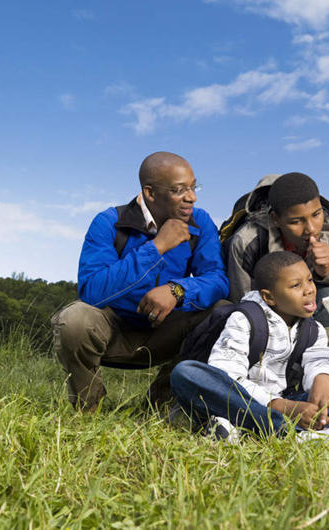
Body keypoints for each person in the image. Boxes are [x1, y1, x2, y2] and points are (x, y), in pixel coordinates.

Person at [52, 152, 228, 411]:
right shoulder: (109, 222)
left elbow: (217, 279)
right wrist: (156, 247)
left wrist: (177, 290)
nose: (192, 197)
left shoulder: (200, 221)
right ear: (151, 193)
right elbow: (92, 291)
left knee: (224, 311)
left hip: (167, 330)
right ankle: (88, 407)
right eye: (179, 190)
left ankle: (159, 403)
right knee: (74, 320)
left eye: (193, 187)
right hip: (115, 330)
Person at [170, 251, 329, 441]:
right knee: (186, 373)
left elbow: (320, 359)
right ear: (269, 297)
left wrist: (324, 378)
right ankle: (290, 433)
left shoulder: (313, 328)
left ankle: (241, 428)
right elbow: (228, 375)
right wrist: (281, 407)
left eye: (309, 280)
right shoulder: (244, 319)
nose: (309, 290)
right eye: (295, 286)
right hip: (239, 399)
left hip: (285, 401)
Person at [223, 173, 329, 324]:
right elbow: (245, 308)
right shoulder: (247, 242)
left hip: (321, 308)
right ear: (275, 219)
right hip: (273, 319)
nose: (311, 229)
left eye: (316, 214)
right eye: (296, 221)